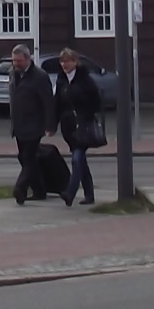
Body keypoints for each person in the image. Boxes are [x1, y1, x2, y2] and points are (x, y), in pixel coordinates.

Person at [8, 42, 55, 205]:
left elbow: (48, 102)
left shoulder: (39, 76)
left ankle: (20, 188)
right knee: (25, 157)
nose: (15, 64)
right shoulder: (13, 74)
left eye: (18, 61)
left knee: (28, 157)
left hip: (34, 125)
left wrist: (50, 125)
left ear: (27, 59)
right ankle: (39, 190)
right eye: (13, 61)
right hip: (19, 125)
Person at [54, 48, 102, 205]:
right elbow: (57, 104)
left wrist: (86, 114)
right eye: (62, 61)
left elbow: (96, 100)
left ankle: (70, 192)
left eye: (67, 61)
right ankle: (89, 195)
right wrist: (52, 124)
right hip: (68, 126)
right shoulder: (61, 80)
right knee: (81, 161)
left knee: (77, 158)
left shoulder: (85, 79)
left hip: (83, 125)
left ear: (75, 62)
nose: (64, 64)